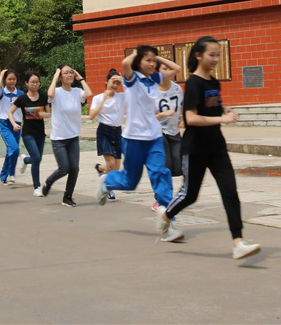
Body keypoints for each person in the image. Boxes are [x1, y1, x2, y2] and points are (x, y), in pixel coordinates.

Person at [157, 36, 262, 259]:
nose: (216, 59)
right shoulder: (194, 83)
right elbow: (191, 118)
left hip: (216, 147)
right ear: (199, 56)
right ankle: (166, 215)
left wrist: (225, 110)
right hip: (195, 148)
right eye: (211, 55)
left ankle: (238, 242)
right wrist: (223, 119)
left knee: (230, 192)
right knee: (190, 195)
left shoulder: (214, 82)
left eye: (218, 55)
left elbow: (213, 104)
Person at [96, 46, 180, 233]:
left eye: (153, 61)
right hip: (134, 138)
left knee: (161, 174)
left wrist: (157, 56)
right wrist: (138, 52)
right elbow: (125, 62)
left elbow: (176, 69)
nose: (152, 64)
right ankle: (107, 181)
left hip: (154, 137)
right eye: (147, 60)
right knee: (130, 182)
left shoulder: (155, 78)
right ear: (138, 61)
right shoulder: (132, 79)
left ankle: (168, 223)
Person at [41, 65, 92, 207]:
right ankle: (49, 181)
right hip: (59, 138)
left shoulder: (77, 92)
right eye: (66, 73)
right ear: (60, 76)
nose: (69, 75)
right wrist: (55, 76)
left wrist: (80, 78)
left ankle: (67, 197)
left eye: (71, 72)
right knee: (64, 168)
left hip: (73, 136)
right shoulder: (57, 92)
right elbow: (50, 94)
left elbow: (89, 93)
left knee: (74, 168)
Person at [9, 73, 48, 196]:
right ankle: (37, 187)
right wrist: (14, 124)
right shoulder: (22, 98)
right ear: (27, 83)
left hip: (40, 133)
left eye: (37, 82)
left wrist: (43, 114)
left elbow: (48, 113)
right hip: (28, 133)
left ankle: (25, 160)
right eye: (32, 82)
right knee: (36, 157)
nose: (35, 84)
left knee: (38, 159)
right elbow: (10, 113)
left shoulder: (44, 97)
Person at [89, 69, 125, 201]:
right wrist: (103, 99)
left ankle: (100, 168)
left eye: (117, 83)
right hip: (104, 131)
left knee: (116, 168)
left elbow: (134, 91)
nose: (115, 85)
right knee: (111, 164)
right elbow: (91, 116)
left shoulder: (121, 96)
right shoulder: (98, 98)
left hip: (117, 132)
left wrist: (123, 80)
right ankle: (108, 189)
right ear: (106, 81)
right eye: (113, 82)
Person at [156, 61, 184, 193]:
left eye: (169, 69)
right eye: (164, 69)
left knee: (178, 167)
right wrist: (162, 114)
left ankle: (164, 188)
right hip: (158, 132)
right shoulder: (151, 91)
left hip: (174, 131)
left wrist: (181, 118)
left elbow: (181, 105)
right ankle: (160, 196)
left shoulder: (177, 89)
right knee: (165, 165)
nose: (168, 71)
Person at [0, 69, 23, 185]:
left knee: (11, 151)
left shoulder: (20, 94)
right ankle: (11, 173)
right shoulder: (2, 92)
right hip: (5, 124)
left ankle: (3, 175)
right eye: (9, 79)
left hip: (17, 124)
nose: (12, 81)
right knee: (14, 149)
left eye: (14, 79)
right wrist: (1, 75)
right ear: (5, 80)